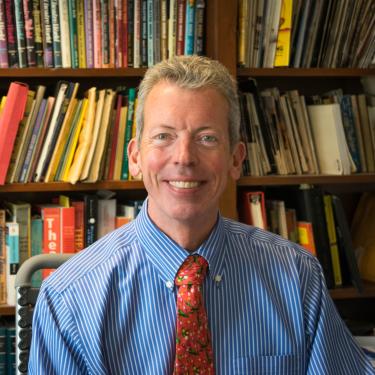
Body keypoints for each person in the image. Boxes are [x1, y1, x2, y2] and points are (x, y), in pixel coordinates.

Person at [29, 55, 374, 375]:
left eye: (206, 138)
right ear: (135, 158)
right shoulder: (68, 298)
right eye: (163, 136)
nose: (184, 157)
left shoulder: (296, 277)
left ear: (236, 159)